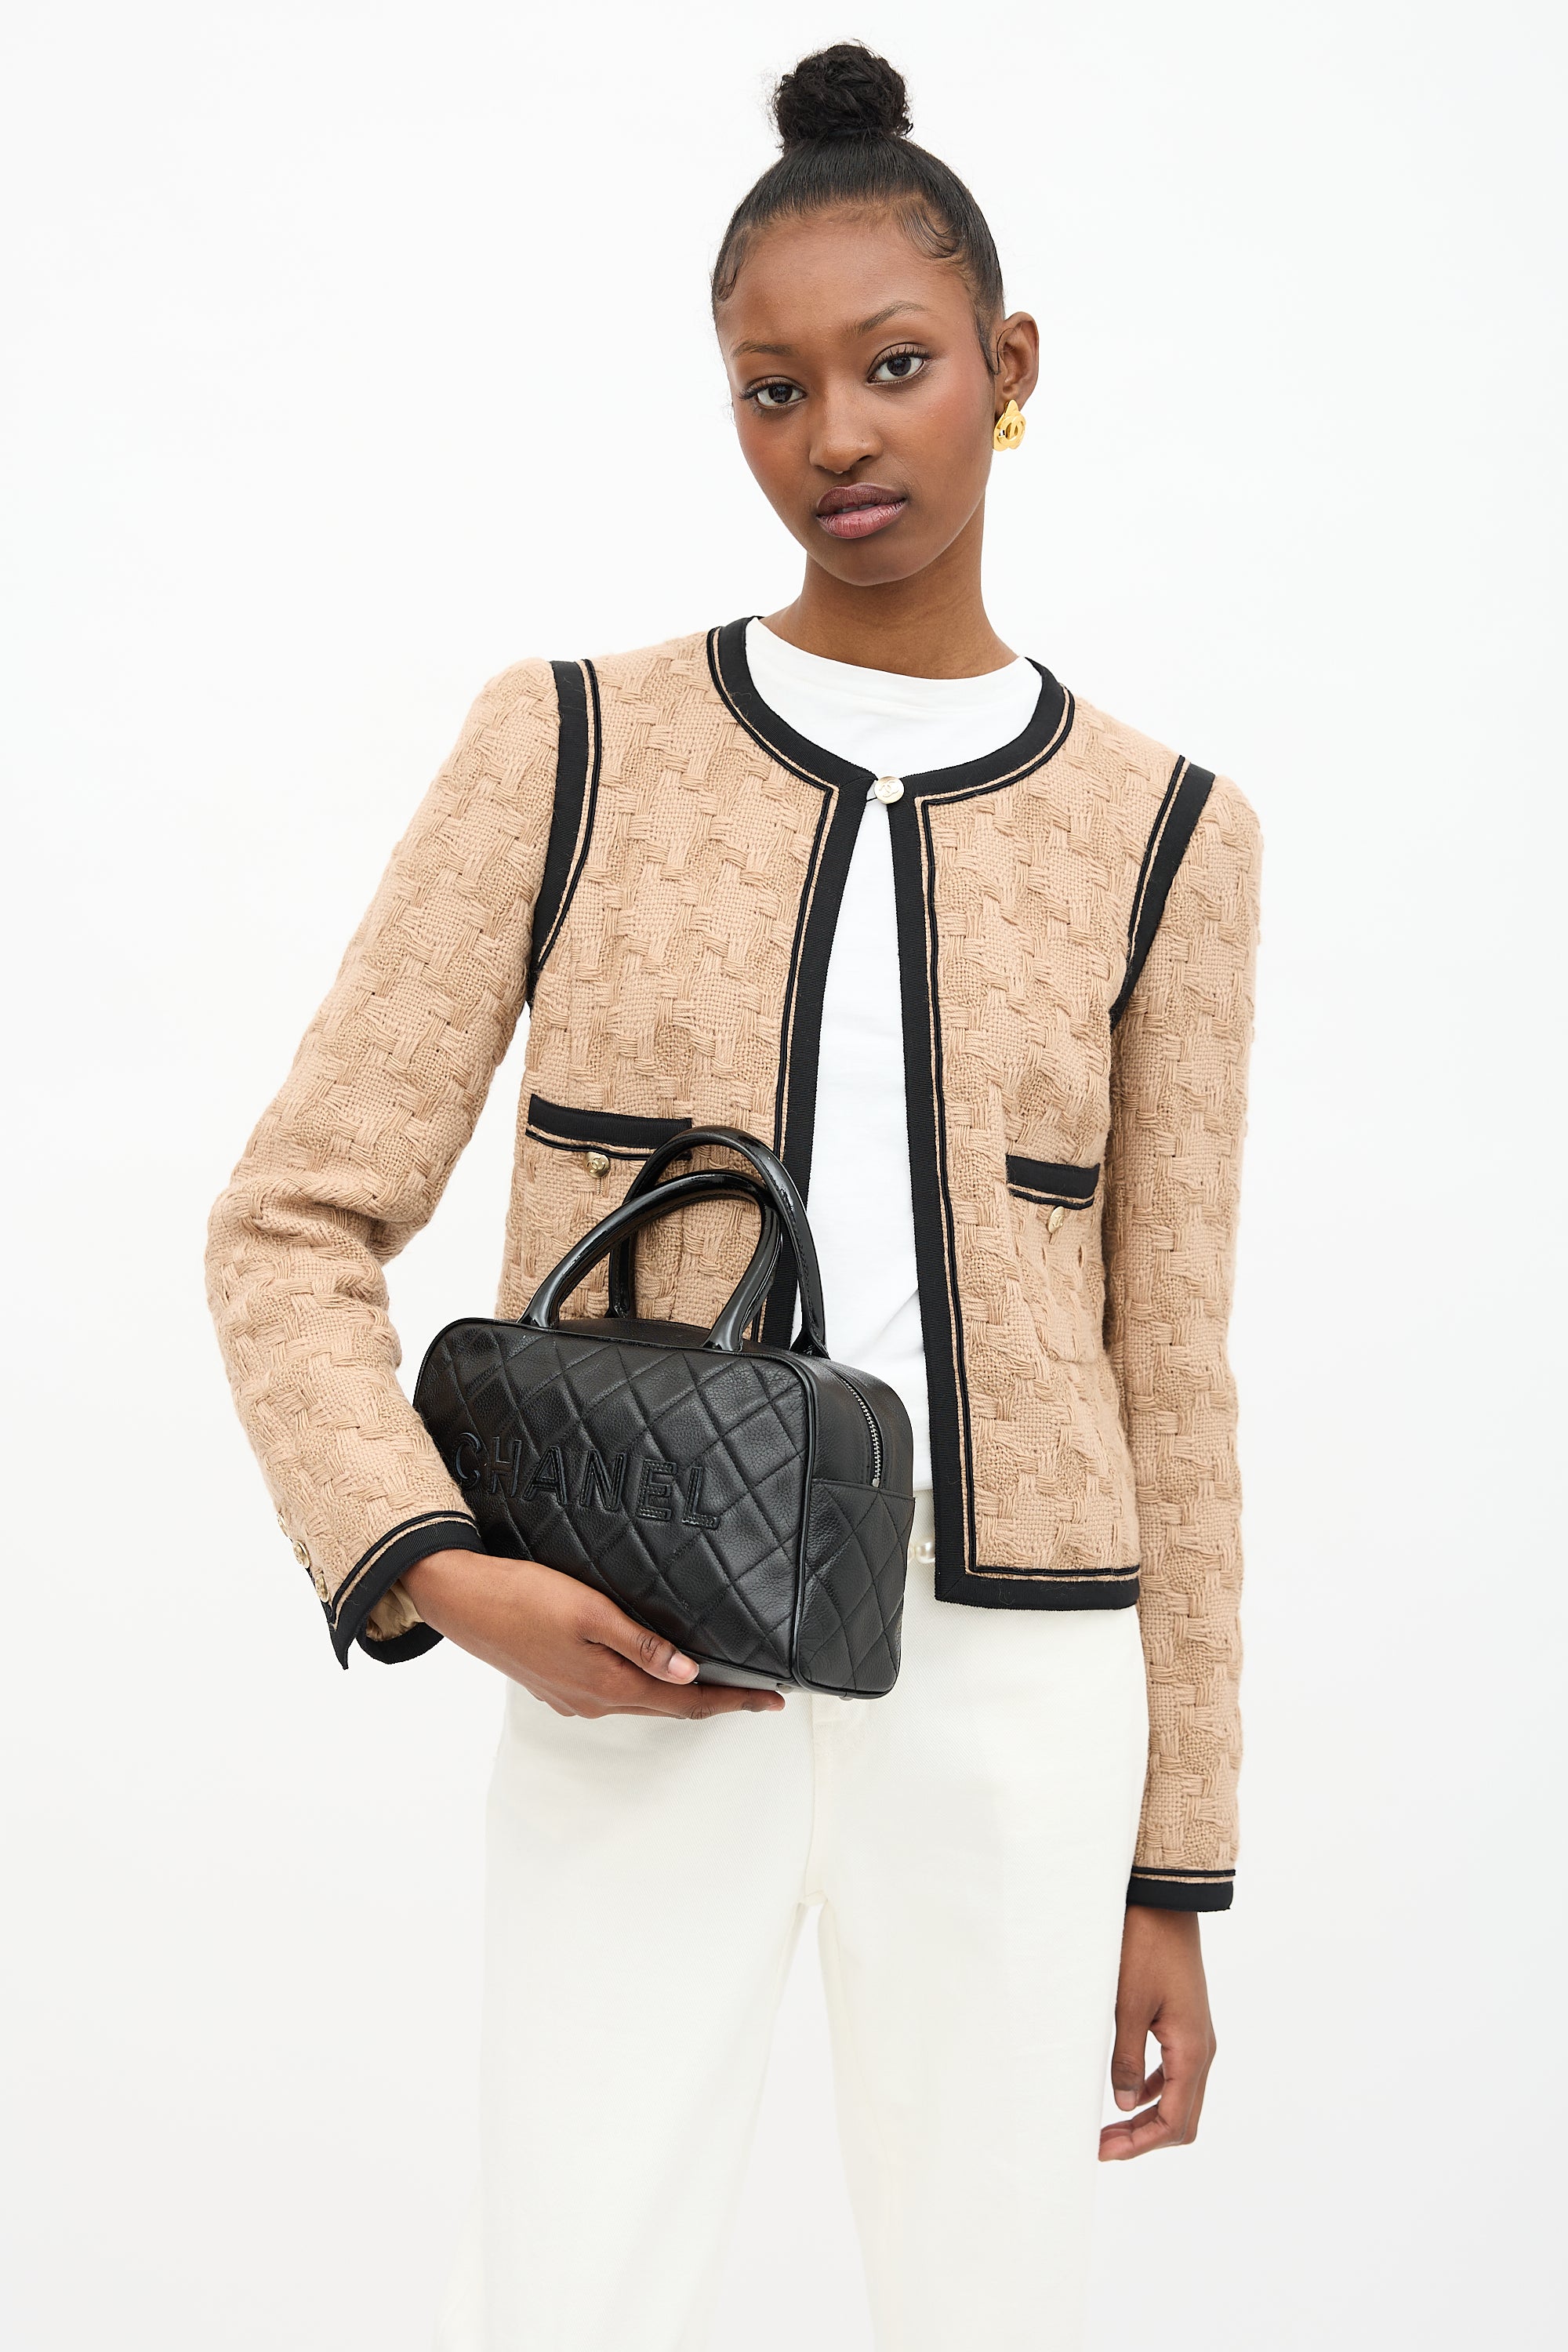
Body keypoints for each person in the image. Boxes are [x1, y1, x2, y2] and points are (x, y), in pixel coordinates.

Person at [206, 41, 1261, 2352]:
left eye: (897, 367)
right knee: (568, 2290)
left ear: (1010, 367)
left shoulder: (1168, 834)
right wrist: (433, 1569)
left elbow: (1167, 1359)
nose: (839, 437)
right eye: (773, 392)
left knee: (995, 2308)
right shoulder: (573, 743)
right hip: (638, 1646)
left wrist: (1172, 1859)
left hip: (1019, 1689)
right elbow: (290, 1218)